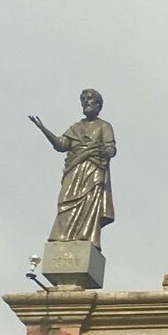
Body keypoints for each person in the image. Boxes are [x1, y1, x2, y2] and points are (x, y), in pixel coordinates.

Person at [32, 90, 117, 249]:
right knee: (65, 201)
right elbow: (61, 145)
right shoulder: (76, 127)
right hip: (74, 170)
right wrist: (43, 128)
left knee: (89, 205)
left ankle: (86, 237)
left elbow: (110, 148)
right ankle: (61, 237)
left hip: (92, 170)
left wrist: (106, 151)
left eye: (90, 100)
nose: (86, 103)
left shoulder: (104, 126)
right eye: (83, 100)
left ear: (98, 105)